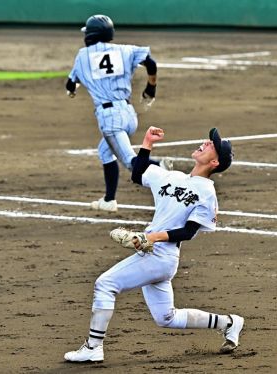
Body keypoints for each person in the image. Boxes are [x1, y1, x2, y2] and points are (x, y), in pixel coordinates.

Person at [64, 126, 244, 363]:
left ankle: (93, 347)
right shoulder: (174, 177)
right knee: (166, 317)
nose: (206, 142)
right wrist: (147, 144)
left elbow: (188, 232)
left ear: (214, 162)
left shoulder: (207, 192)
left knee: (105, 284)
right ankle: (229, 322)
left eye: (212, 145)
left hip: (161, 256)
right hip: (153, 254)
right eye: (210, 141)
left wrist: (153, 237)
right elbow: (138, 174)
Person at [66, 14, 172, 212]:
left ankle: (160, 167)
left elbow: (71, 83)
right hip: (128, 114)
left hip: (110, 118)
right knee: (105, 151)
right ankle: (109, 200)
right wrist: (151, 89)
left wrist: (71, 90)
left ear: (90, 35)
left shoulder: (83, 55)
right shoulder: (126, 50)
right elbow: (151, 63)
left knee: (132, 164)